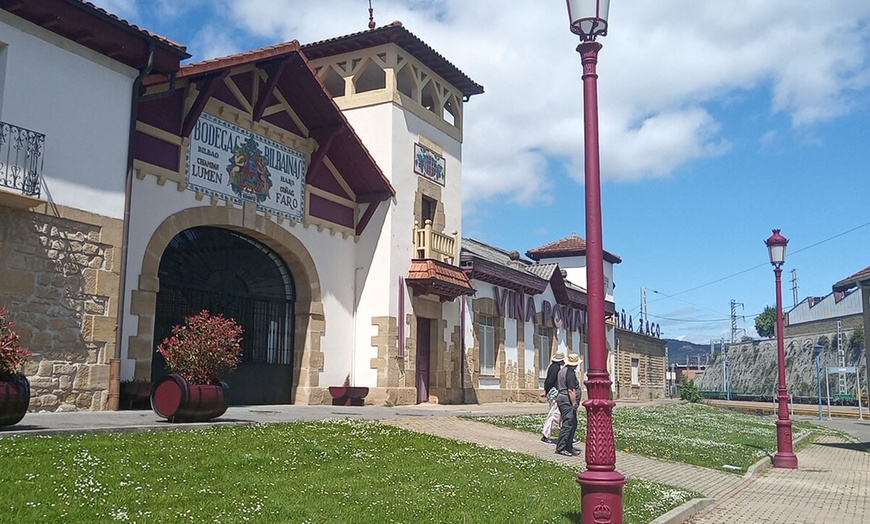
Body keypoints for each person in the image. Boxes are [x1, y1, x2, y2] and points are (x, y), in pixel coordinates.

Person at [555, 353, 581, 456]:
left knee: (572, 423)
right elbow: (571, 389)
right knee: (568, 424)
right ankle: (561, 447)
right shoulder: (570, 373)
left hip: (562, 398)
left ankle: (569, 446)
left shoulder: (562, 370)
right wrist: (574, 403)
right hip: (567, 400)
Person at [541, 351, 564, 443]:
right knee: (554, 414)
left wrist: (546, 390)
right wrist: (546, 390)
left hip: (552, 393)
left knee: (557, 414)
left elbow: (548, 381)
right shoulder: (556, 368)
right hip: (554, 393)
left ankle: (565, 435)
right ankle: (546, 434)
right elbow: (550, 381)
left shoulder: (552, 367)